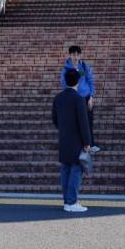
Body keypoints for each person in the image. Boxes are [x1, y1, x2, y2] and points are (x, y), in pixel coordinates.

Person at [52, 66, 92, 213]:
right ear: (78, 82)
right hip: (76, 141)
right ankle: (72, 201)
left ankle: (67, 201)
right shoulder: (79, 99)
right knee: (76, 169)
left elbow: (54, 119)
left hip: (63, 138)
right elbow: (83, 122)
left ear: (65, 81)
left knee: (65, 169)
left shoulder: (58, 98)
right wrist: (87, 142)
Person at [60, 44, 99, 145]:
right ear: (70, 55)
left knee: (88, 122)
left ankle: (90, 144)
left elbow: (90, 81)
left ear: (80, 55)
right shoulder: (66, 69)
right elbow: (64, 84)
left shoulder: (84, 67)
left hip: (86, 98)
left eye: (77, 54)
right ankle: (77, 144)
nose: (76, 57)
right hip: (73, 99)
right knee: (74, 122)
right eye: (73, 54)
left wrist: (91, 97)